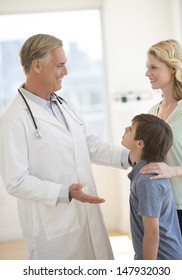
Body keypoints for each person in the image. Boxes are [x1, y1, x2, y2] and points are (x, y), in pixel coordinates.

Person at [0, 34, 130, 260]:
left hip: (87, 215)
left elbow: (91, 145)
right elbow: (16, 181)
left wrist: (131, 157)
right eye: (60, 65)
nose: (66, 72)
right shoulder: (13, 119)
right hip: (53, 226)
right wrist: (64, 192)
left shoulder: (65, 104)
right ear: (37, 66)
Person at [140, 39, 182, 259]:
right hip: (161, 210)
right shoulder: (153, 112)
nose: (147, 73)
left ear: (173, 68)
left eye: (153, 67)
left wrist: (172, 171)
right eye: (147, 67)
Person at [121, 113, 182, 260]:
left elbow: (152, 234)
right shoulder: (141, 173)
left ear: (140, 143)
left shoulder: (147, 180)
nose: (125, 129)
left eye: (130, 129)